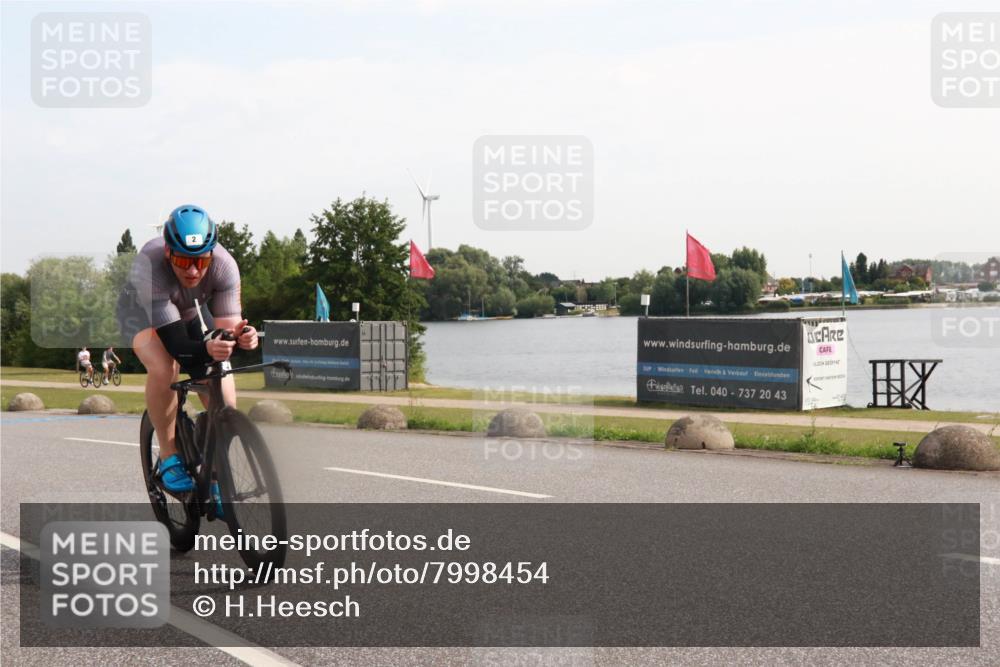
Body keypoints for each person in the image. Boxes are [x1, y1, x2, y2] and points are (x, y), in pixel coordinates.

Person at [116, 204, 258, 494]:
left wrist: (242, 337)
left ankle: (213, 467)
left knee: (225, 398)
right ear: (169, 253)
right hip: (140, 313)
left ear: (211, 253)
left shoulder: (224, 265)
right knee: (165, 367)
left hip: (188, 312)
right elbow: (178, 347)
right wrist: (209, 348)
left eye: (201, 261)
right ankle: (169, 455)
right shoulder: (150, 265)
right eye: (183, 261)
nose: (193, 270)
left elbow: (227, 329)